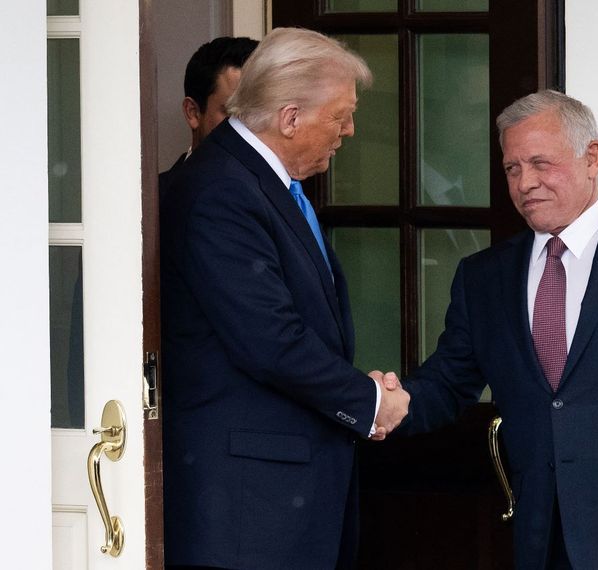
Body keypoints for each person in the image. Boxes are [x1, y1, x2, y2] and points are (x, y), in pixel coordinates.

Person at [390, 90, 598, 569]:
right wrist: (381, 405)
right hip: (538, 532)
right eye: (512, 168)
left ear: (592, 158)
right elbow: (447, 383)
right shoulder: (483, 276)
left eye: (541, 163)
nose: (526, 183)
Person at [160, 27, 409, 570]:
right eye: (341, 115)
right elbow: (269, 339)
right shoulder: (220, 189)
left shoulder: (260, 180)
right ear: (290, 117)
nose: (349, 130)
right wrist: (369, 402)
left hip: (276, 500)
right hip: (246, 514)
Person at [158, 36, 259, 197]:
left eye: (257, 113)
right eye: (233, 113)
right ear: (193, 113)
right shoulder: (153, 201)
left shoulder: (288, 192)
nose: (250, 127)